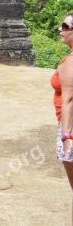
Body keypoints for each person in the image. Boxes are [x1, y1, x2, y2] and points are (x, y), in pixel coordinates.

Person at [52, 13, 73, 204]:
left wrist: (67, 137)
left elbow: (68, 100)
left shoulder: (70, 62)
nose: (61, 29)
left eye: (65, 26)